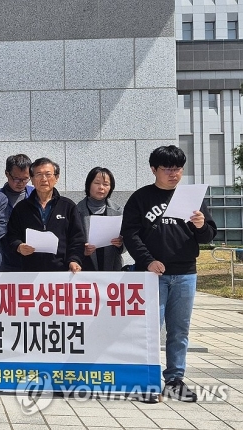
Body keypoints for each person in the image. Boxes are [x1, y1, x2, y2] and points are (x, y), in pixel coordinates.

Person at [121, 145, 217, 402]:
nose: (174, 174)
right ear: (154, 169)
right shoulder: (141, 198)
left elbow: (208, 236)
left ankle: (174, 380)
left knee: (179, 330)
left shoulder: (191, 197)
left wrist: (201, 225)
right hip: (153, 275)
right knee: (149, 329)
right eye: (167, 169)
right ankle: (146, 381)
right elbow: (130, 233)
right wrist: (148, 261)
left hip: (185, 273)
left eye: (178, 169)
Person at [6, 157, 85, 272]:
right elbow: (12, 235)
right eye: (38, 175)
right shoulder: (21, 208)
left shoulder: (68, 206)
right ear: (32, 179)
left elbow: (77, 238)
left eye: (48, 174)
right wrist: (19, 246)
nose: (44, 179)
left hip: (62, 271)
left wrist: (74, 260)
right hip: (29, 272)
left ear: (56, 178)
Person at [77, 167, 124, 271]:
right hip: (84, 269)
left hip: (112, 269)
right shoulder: (76, 211)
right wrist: (81, 250)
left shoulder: (118, 211)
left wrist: (121, 244)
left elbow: (128, 240)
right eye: (97, 183)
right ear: (88, 185)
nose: (101, 187)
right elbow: (70, 241)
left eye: (106, 184)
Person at [0, 154, 34, 271]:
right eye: (16, 179)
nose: (21, 183)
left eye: (25, 179)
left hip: (32, 256)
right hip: (5, 257)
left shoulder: (36, 195)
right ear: (7, 174)